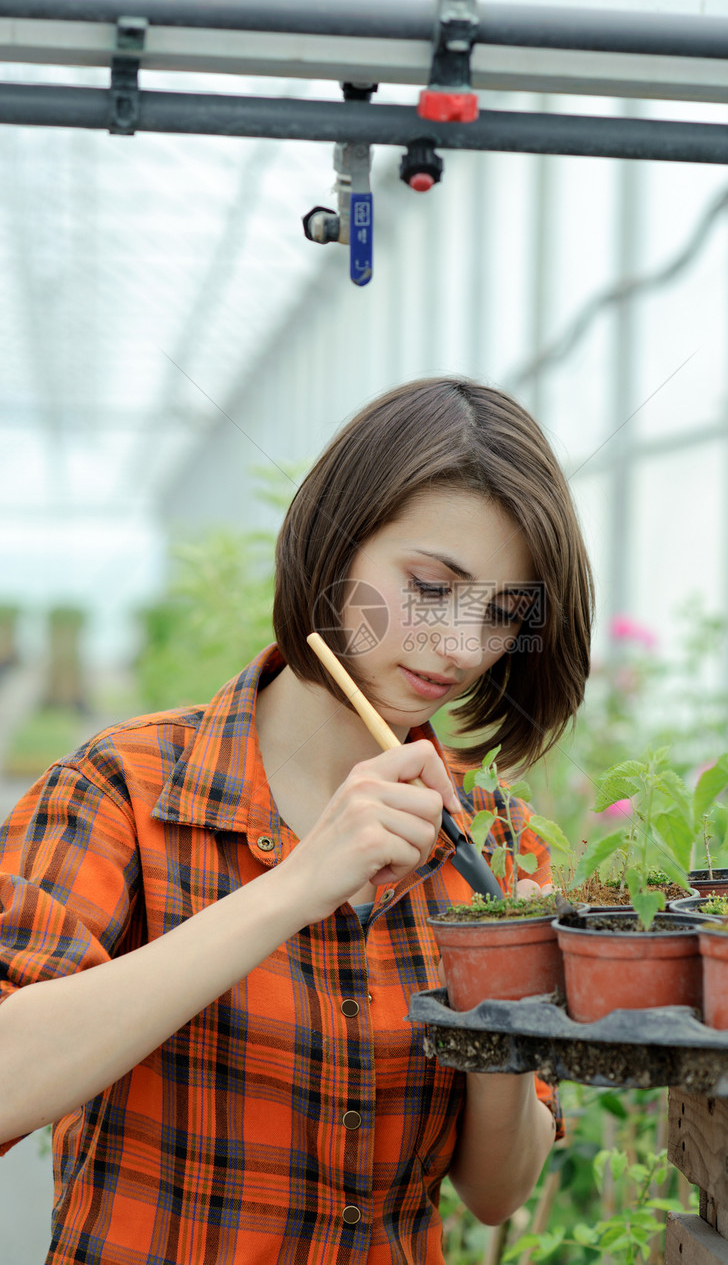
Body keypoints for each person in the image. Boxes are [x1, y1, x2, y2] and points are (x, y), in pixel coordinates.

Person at [0, 377, 594, 1264]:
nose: (463, 647)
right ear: (335, 545)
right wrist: (294, 888)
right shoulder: (122, 787)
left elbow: (496, 1190)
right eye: (431, 588)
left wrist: (506, 1017)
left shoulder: (495, 840)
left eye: (505, 613)